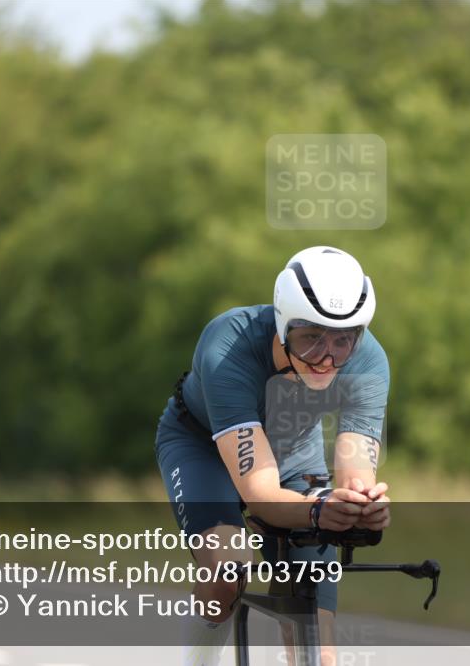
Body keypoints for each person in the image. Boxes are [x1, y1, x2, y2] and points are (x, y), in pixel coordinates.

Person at [154, 246, 392, 666]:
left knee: (317, 644)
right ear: (283, 325)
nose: (327, 358)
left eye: (343, 340)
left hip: (293, 456)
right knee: (228, 568)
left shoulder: (369, 361)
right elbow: (261, 493)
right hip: (202, 447)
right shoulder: (228, 346)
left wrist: (361, 507)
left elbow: (356, 475)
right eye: (311, 337)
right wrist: (318, 513)